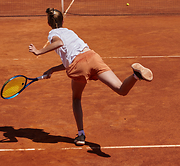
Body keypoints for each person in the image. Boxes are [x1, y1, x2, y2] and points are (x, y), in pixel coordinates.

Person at [28, 8, 153, 146]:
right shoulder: (70, 32)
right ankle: (135, 75)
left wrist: (38, 51)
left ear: (48, 23)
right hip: (93, 57)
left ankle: (81, 135)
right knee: (121, 89)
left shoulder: (53, 33)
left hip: (78, 66)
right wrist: (52, 69)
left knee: (76, 98)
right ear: (63, 21)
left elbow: (59, 44)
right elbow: (71, 58)